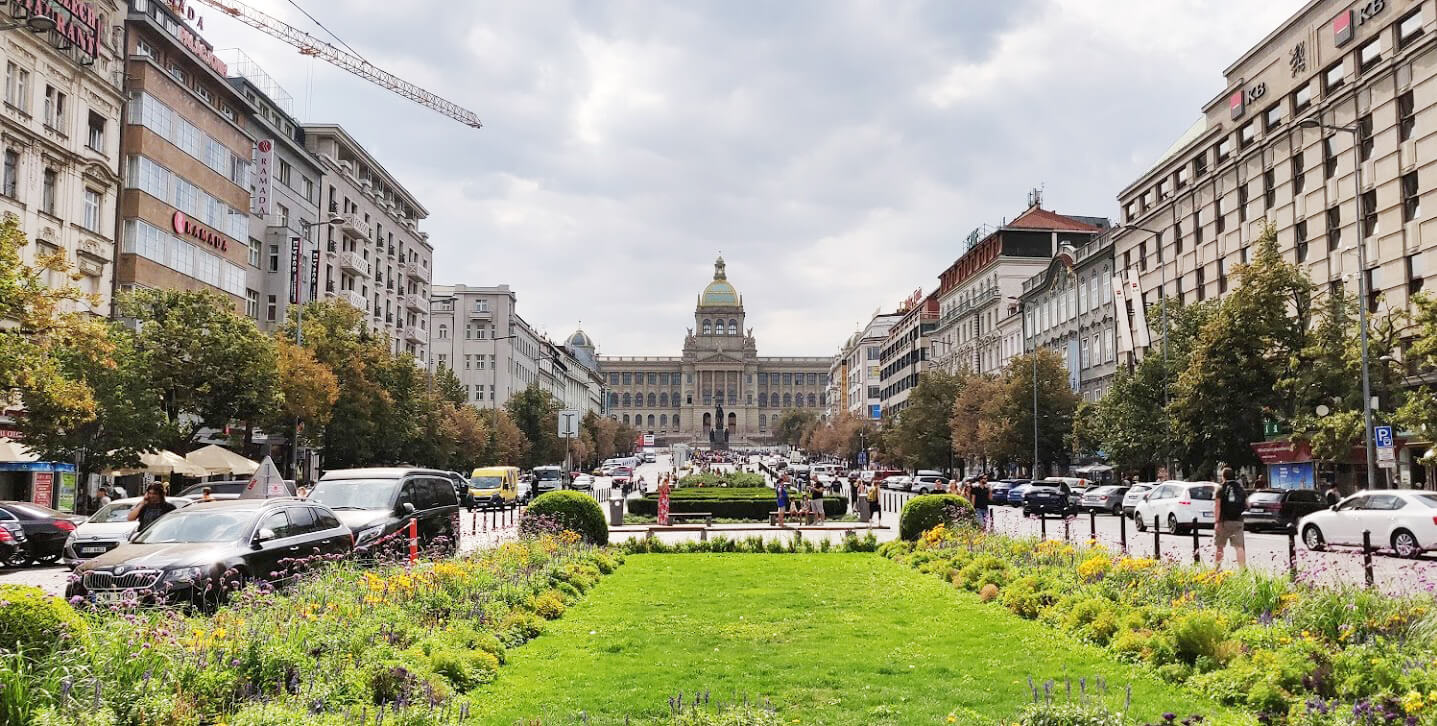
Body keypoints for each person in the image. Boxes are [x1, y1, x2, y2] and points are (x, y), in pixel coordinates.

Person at [1214, 467, 1247, 571]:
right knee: (1239, 547)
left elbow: (1217, 506)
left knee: (1220, 546)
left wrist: (1217, 522)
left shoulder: (1220, 488)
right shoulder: (1240, 488)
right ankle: (1242, 571)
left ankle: (1217, 569)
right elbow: (1247, 504)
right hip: (1238, 521)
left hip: (1224, 521)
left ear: (1223, 477)